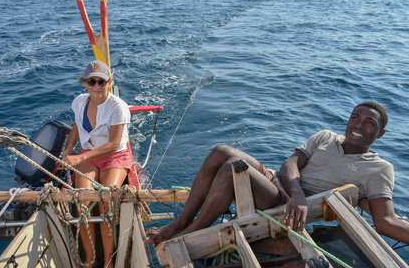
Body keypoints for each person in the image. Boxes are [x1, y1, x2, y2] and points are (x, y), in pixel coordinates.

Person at [146, 101, 409, 246]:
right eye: (355, 118)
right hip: (283, 187)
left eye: (369, 123)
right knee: (221, 151)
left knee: (232, 167)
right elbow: (290, 164)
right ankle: (179, 224)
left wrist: (298, 198)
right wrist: (296, 192)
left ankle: (191, 232)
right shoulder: (326, 137)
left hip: (285, 206)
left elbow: (385, 221)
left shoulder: (379, 169)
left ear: (381, 134)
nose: (359, 125)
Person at [62, 60, 132, 268]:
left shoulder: (118, 107)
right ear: (84, 83)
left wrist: (78, 158)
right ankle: (90, 259)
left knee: (106, 202)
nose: (96, 86)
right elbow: (76, 126)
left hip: (114, 156)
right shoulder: (79, 102)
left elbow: (113, 144)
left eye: (101, 81)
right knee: (82, 202)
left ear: (109, 82)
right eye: (91, 81)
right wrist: (68, 150)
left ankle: (109, 261)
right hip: (88, 155)